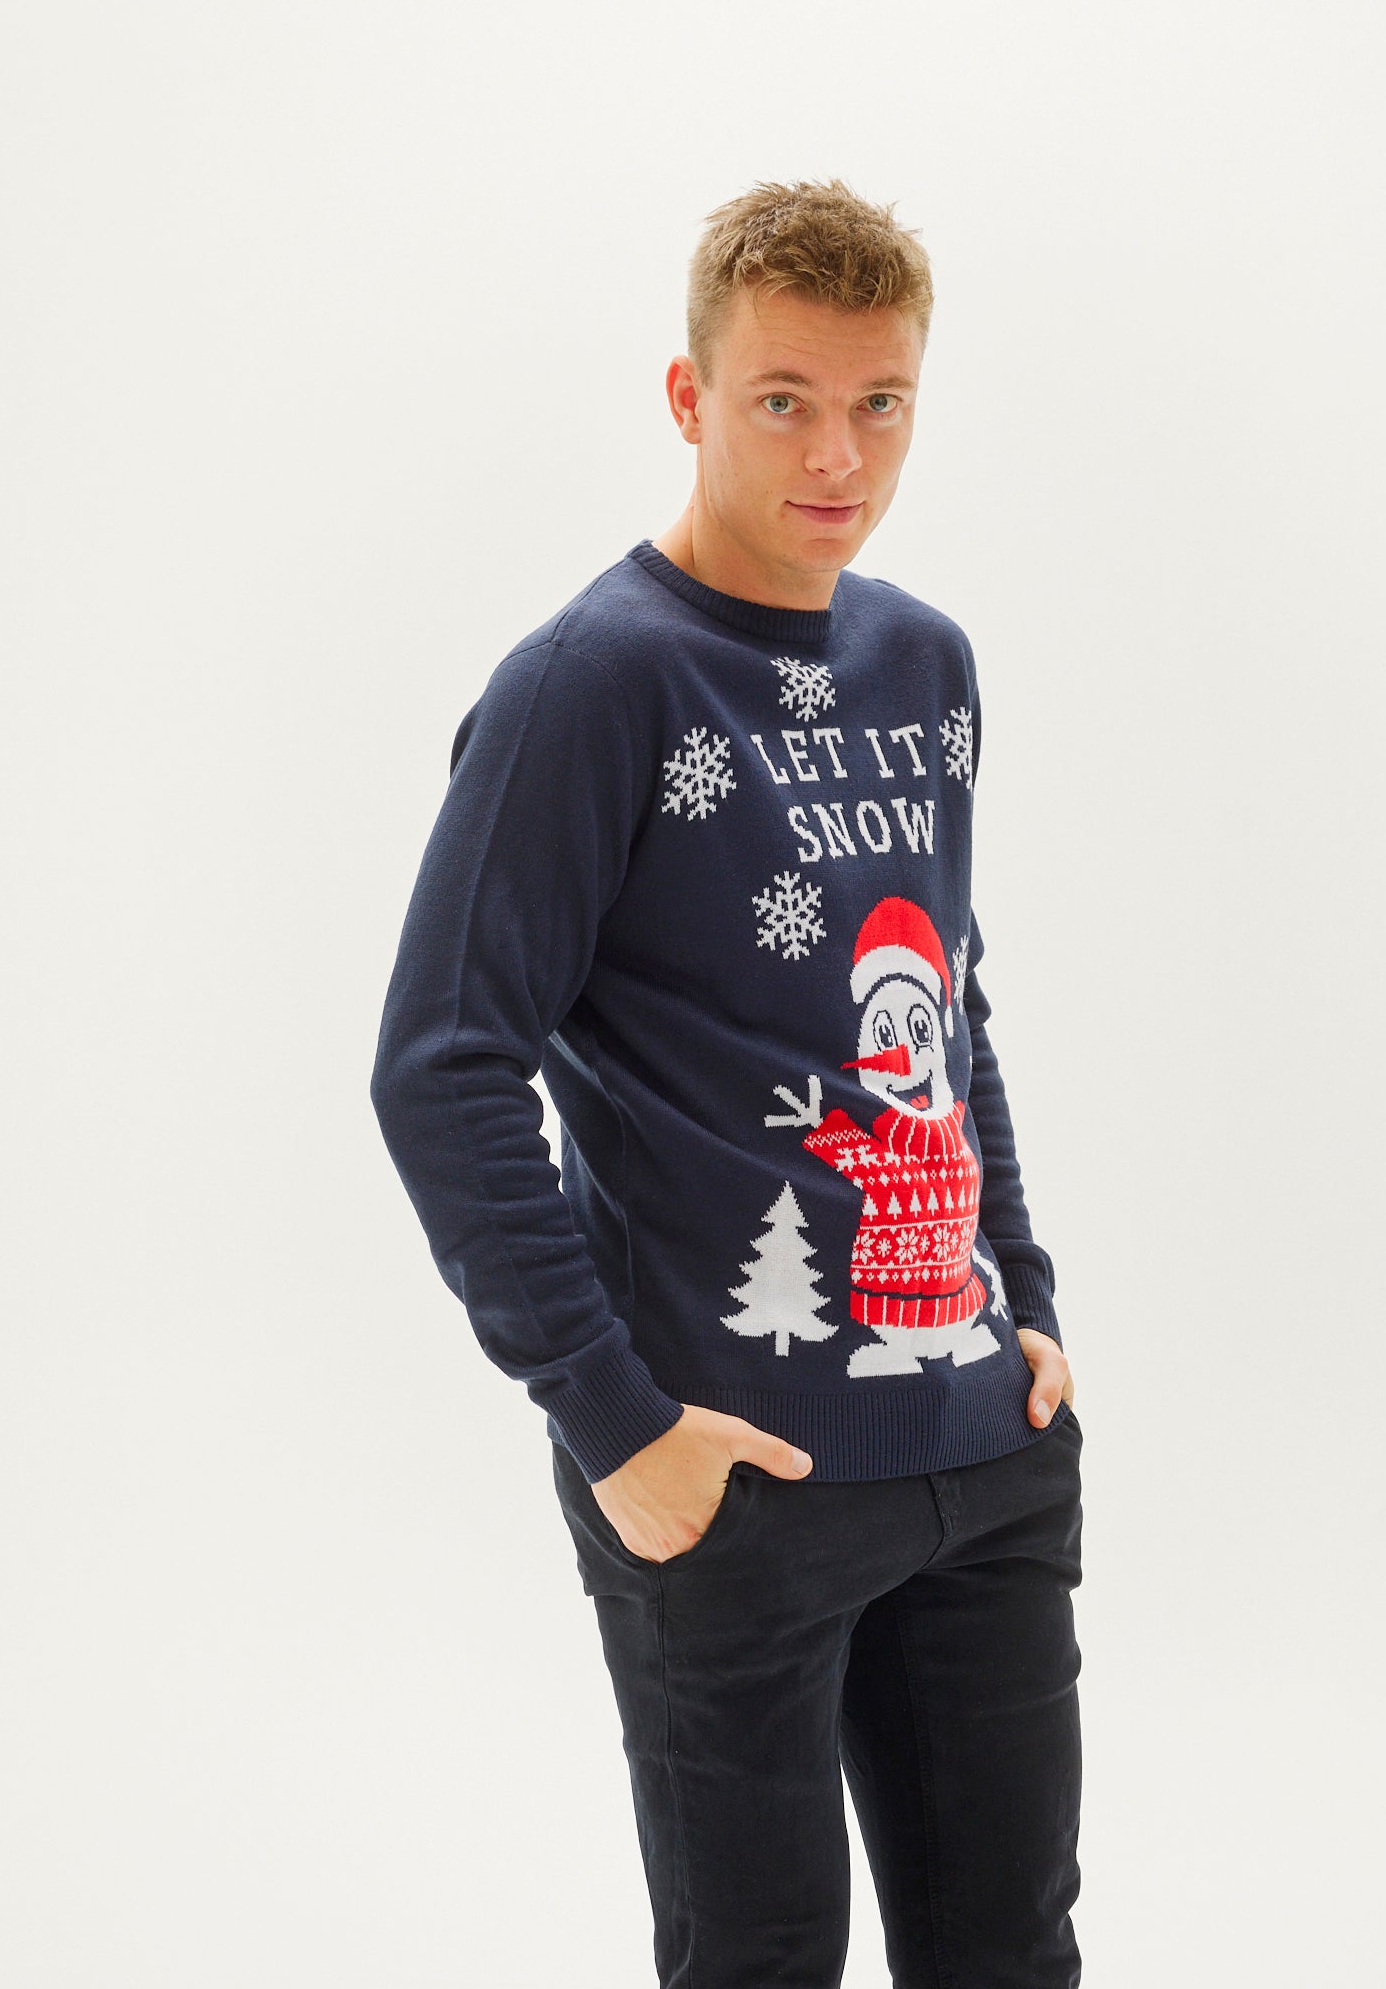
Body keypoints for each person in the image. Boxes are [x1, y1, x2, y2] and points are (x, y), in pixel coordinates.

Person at [370, 178, 1083, 1989]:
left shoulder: (925, 664)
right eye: (784, 400)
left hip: (982, 1448)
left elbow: (953, 1012)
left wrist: (1028, 1300)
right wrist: (614, 1424)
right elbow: (443, 1066)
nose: (838, 454)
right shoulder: (593, 686)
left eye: (880, 402)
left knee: (1013, 1956)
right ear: (690, 399)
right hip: (735, 1478)